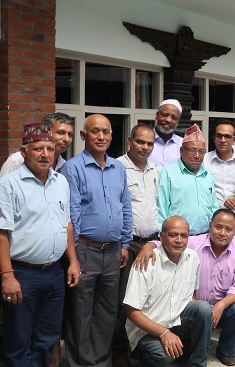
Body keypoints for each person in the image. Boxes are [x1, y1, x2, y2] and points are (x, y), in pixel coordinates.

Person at [0, 122, 80, 367]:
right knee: (19, 340)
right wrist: (6, 275)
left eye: (49, 148)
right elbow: (2, 232)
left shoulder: (60, 182)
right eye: (38, 149)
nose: (45, 154)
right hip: (22, 274)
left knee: (47, 339)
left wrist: (73, 261)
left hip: (55, 274)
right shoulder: (9, 184)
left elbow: (66, 224)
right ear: (24, 153)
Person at [134, 209, 235, 366]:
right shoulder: (193, 242)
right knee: (200, 310)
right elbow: (167, 240)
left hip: (220, 310)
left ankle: (226, 351)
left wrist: (220, 306)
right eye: (218, 227)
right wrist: (148, 246)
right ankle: (192, 348)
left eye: (228, 229)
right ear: (210, 226)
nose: (222, 233)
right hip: (194, 309)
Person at [61, 114, 133, 367]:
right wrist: (73, 256)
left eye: (105, 132)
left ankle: (101, 362)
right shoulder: (72, 168)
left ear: (112, 136)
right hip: (84, 250)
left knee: (106, 314)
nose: (101, 137)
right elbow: (72, 214)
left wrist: (125, 244)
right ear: (83, 136)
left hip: (113, 252)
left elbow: (125, 206)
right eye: (95, 132)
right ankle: (81, 363)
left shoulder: (119, 168)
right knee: (80, 314)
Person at [124, 216, 212, 367]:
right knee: (164, 357)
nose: (179, 240)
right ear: (161, 236)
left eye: (184, 236)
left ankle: (198, 363)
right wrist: (164, 333)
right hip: (146, 331)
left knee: (203, 308)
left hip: (176, 321)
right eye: (173, 235)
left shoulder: (193, 258)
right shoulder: (146, 261)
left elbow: (191, 296)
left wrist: (200, 325)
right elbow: (131, 311)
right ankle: (141, 355)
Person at [113, 123, 159, 367]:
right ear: (129, 141)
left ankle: (140, 347)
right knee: (123, 299)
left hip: (150, 243)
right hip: (127, 244)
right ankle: (119, 351)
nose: (145, 147)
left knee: (145, 299)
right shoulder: (117, 167)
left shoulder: (154, 169)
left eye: (150, 143)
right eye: (140, 142)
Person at [158, 124, 218, 235]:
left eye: (201, 151)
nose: (197, 155)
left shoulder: (207, 175)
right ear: (181, 150)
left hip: (205, 237)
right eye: (192, 150)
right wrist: (162, 236)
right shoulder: (168, 173)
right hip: (177, 239)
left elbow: (213, 207)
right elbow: (161, 208)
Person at [0, 112, 75, 177]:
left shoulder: (65, 165)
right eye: (60, 133)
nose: (66, 139)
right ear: (45, 132)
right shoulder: (17, 160)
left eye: (70, 134)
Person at [204, 119, 235, 208]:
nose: (223, 140)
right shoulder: (204, 160)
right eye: (219, 136)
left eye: (227, 136)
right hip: (210, 214)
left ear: (234, 140)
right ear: (214, 138)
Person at [149, 99, 183, 169]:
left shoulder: (183, 144)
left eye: (174, 118)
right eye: (164, 115)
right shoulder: (142, 142)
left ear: (178, 122)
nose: (168, 120)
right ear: (157, 115)